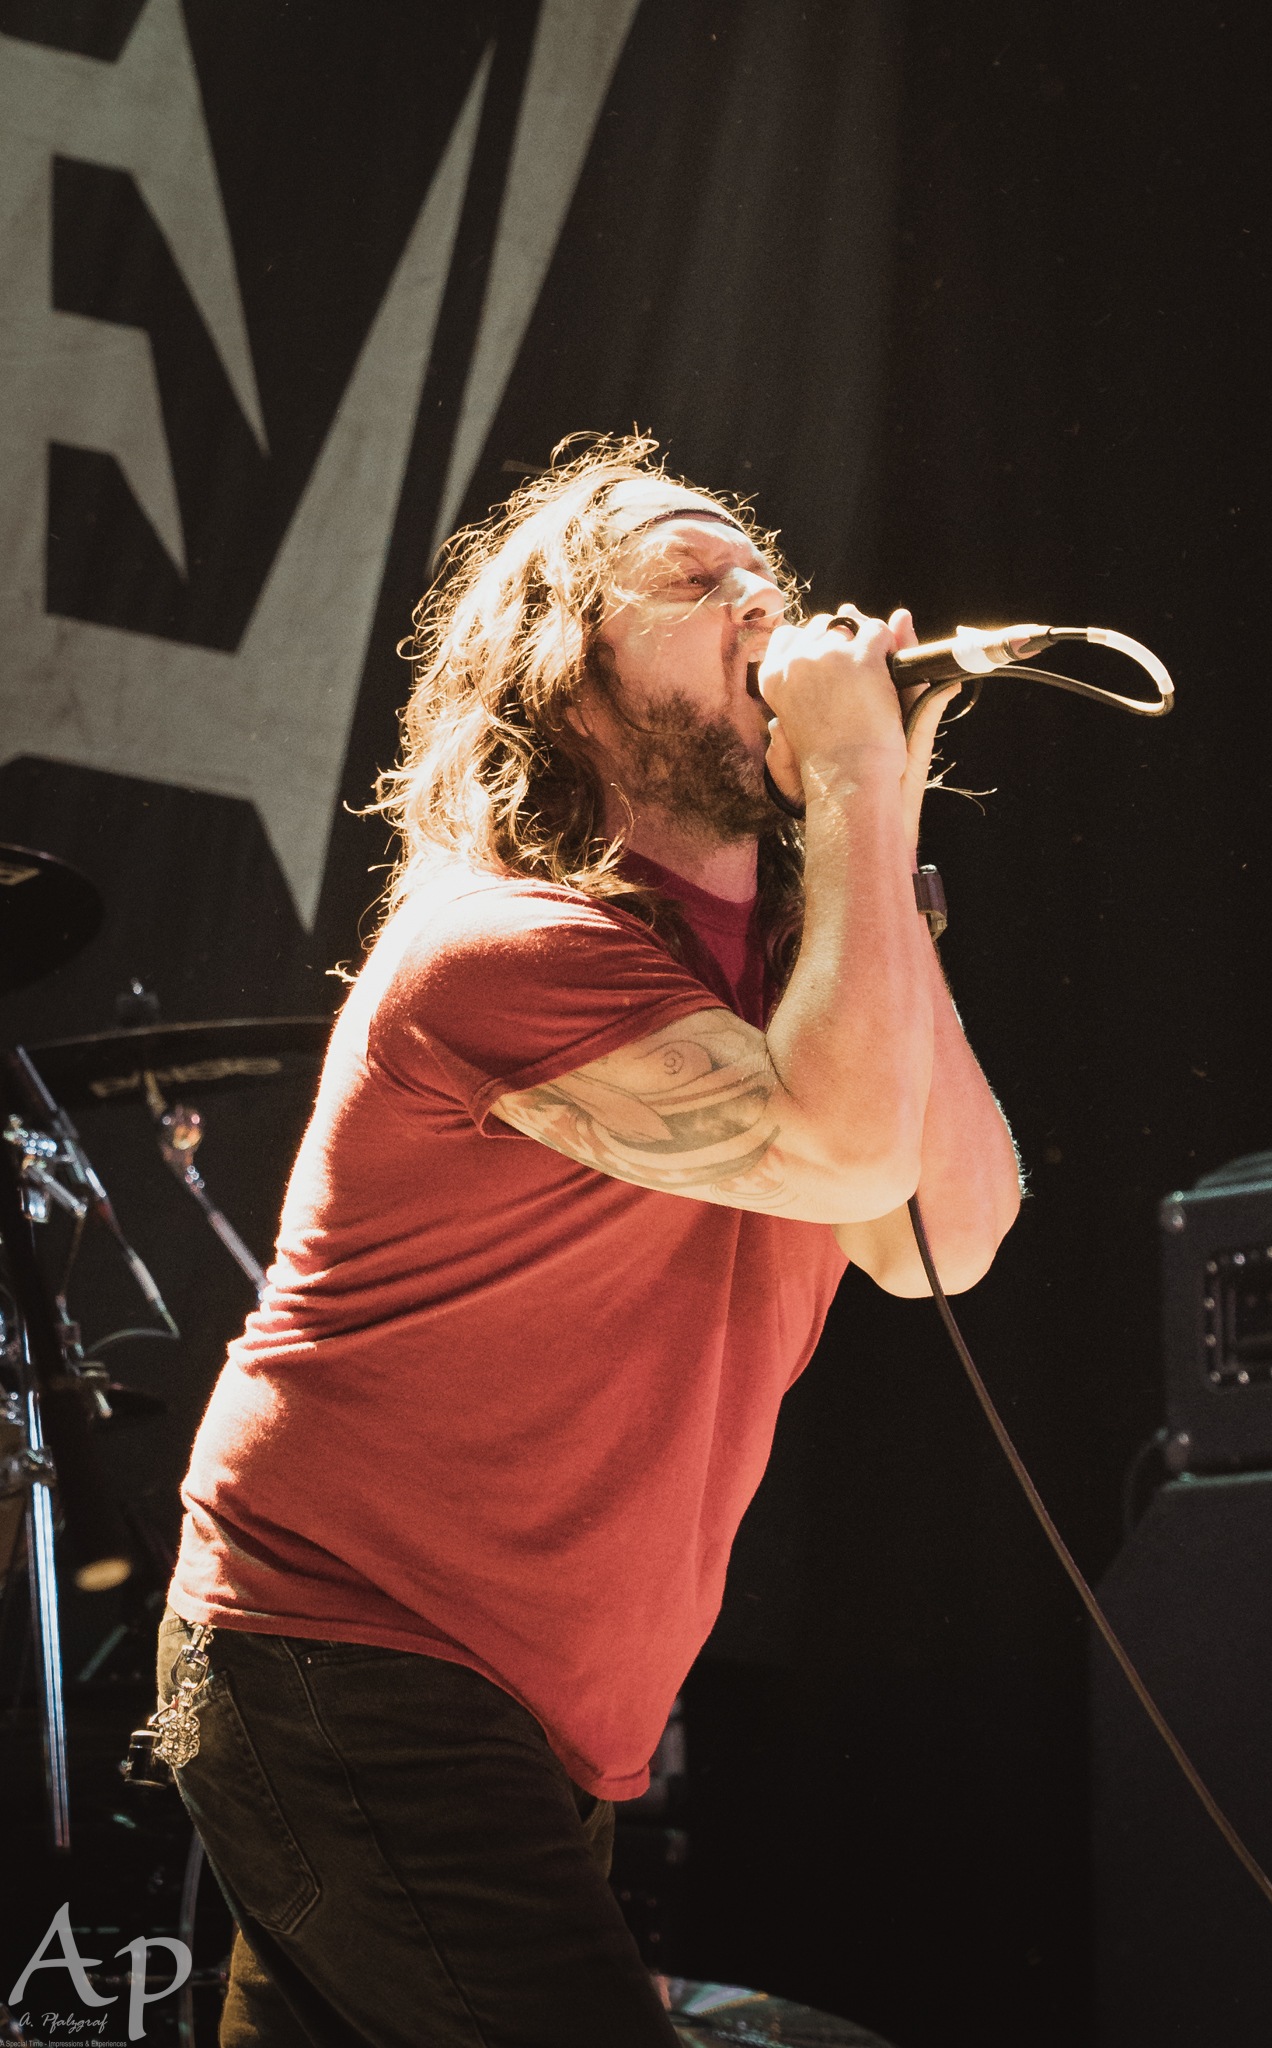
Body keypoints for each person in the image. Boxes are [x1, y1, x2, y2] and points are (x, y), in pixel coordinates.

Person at [158, 434, 1021, 2046]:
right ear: (570, 682)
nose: (763, 604)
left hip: (525, 1706)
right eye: (696, 581)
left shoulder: (796, 974)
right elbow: (839, 1148)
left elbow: (939, 1237)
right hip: (350, 1652)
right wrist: (852, 784)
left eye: (765, 576)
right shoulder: (499, 949)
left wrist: (873, 827)